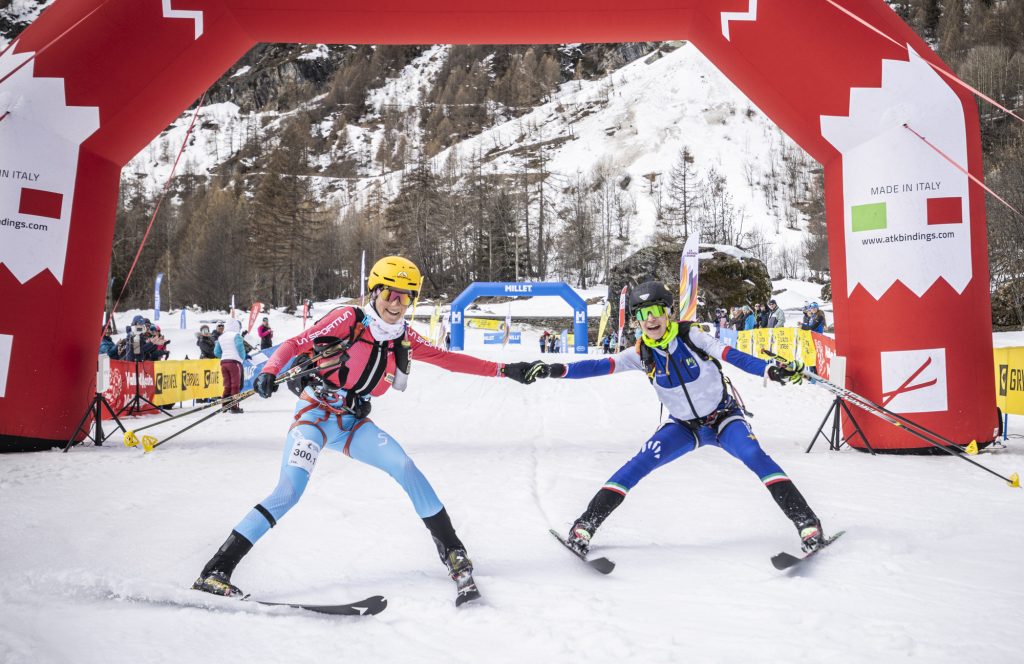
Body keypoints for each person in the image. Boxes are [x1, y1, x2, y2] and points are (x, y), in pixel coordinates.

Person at [192, 256, 539, 605]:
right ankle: (216, 571)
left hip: (351, 424)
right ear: (374, 291)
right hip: (314, 416)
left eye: (405, 297)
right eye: (390, 293)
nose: (396, 303)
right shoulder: (348, 318)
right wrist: (270, 369)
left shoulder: (403, 337)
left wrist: (504, 369)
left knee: (404, 466)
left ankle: (453, 551)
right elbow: (296, 343)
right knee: (289, 491)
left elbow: (448, 359)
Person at [524, 280, 825, 557]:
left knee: (754, 455)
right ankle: (584, 527)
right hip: (682, 428)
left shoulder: (692, 336)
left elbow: (732, 354)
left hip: (723, 420)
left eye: (656, 311)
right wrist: (554, 369)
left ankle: (807, 523)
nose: (650, 320)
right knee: (637, 465)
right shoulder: (641, 353)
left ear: (668, 312)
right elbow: (599, 366)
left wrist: (769, 369)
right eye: (643, 314)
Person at [214, 319, 246, 414]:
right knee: (235, 385)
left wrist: (224, 356)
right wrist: (242, 357)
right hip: (234, 362)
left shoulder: (221, 337)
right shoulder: (236, 336)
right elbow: (240, 346)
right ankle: (234, 407)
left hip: (224, 362)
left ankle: (225, 405)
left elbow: (216, 352)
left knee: (227, 385)